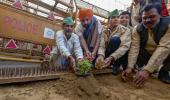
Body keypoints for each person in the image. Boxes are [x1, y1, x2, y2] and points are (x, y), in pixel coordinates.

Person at [121, 4, 170, 87]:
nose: (147, 20)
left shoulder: (168, 25)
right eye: (144, 18)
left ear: (160, 15)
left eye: (152, 17)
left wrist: (147, 70)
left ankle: (164, 71)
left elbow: (164, 48)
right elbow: (134, 48)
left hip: (166, 54)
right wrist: (130, 67)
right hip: (146, 54)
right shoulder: (137, 29)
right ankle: (141, 68)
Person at [95, 9, 131, 75]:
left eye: (117, 17)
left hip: (117, 57)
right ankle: (104, 62)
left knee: (115, 39)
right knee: (97, 60)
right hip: (107, 55)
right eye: (113, 17)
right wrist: (100, 55)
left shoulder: (126, 30)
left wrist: (112, 57)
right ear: (109, 21)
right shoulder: (104, 31)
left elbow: (124, 47)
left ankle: (115, 66)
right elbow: (102, 45)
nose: (116, 19)